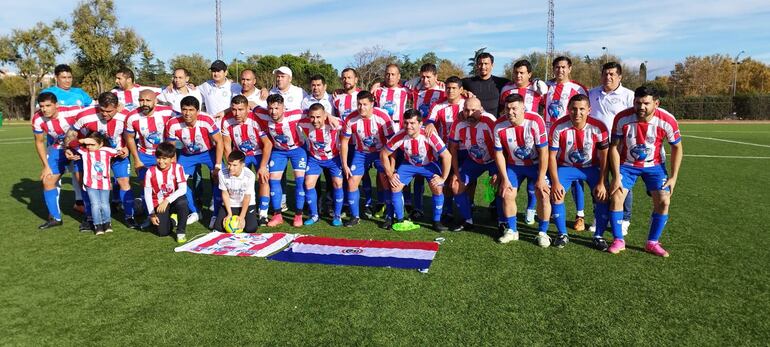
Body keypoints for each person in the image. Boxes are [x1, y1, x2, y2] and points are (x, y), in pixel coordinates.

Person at [606, 86, 683, 257]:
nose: (641, 107)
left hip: (654, 166)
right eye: (638, 102)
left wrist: (673, 177)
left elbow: (677, 147)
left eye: (646, 103)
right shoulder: (622, 118)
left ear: (656, 103)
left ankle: (652, 242)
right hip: (627, 164)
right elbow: (614, 147)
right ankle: (619, 240)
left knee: (664, 201)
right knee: (617, 195)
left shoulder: (667, 120)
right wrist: (617, 176)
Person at [64, 92, 136, 231]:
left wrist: (127, 148)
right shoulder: (85, 116)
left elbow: (133, 135)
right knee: (85, 184)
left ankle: (129, 216)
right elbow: (72, 133)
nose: (105, 114)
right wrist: (67, 148)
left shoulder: (126, 116)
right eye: (102, 110)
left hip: (117, 154)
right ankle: (89, 217)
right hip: (92, 156)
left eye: (109, 111)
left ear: (117, 106)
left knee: (124, 182)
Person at [547, 94, 610, 249]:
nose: (577, 113)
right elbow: (551, 156)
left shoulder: (599, 127)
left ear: (589, 110)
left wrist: (602, 182)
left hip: (591, 168)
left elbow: (604, 158)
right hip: (566, 167)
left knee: (603, 196)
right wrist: (555, 182)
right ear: (568, 109)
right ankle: (562, 233)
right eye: (574, 109)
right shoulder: (558, 126)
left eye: (582, 109)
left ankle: (599, 236)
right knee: (556, 194)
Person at [493, 94, 552, 245]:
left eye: (514, 108)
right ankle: (512, 230)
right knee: (506, 193)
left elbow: (544, 151)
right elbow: (499, 153)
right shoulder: (499, 125)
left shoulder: (535, 121)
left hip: (535, 165)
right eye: (507, 108)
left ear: (523, 108)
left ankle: (543, 233)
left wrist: (541, 177)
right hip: (514, 165)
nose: (510, 112)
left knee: (543, 194)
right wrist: (505, 179)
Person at [381, 109, 452, 231]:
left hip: (429, 165)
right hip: (408, 164)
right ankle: (400, 220)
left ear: (420, 124)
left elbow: (447, 155)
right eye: (406, 123)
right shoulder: (400, 135)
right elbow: (383, 153)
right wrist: (390, 174)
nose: (409, 126)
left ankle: (436, 221)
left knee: (438, 186)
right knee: (394, 185)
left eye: (412, 123)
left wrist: (443, 178)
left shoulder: (429, 135)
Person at [497, 59, 548, 225]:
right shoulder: (506, 89)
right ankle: (503, 219)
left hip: (532, 133)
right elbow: (501, 110)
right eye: (516, 72)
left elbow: (546, 105)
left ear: (529, 74)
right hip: (511, 135)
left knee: (535, 186)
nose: (518, 75)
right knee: (503, 186)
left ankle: (531, 210)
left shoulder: (536, 88)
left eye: (522, 72)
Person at [588, 61, 635, 235]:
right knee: (599, 182)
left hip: (620, 147)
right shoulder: (592, 93)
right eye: (605, 74)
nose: (608, 77)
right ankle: (599, 216)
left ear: (620, 76)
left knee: (620, 182)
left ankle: (624, 219)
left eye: (612, 74)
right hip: (596, 147)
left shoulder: (628, 95)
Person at [545, 56, 590, 231]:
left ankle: (580, 215)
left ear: (569, 68)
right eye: (557, 67)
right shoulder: (547, 87)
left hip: (571, 136)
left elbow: (585, 110)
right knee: (551, 176)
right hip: (550, 137)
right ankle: (549, 210)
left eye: (563, 67)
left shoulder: (577, 88)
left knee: (577, 177)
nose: (560, 70)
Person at [164, 96, 224, 227]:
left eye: (191, 110)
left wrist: (218, 165)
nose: (187, 113)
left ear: (197, 111)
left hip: (209, 153)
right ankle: (195, 212)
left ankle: (216, 213)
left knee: (220, 178)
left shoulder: (206, 119)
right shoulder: (173, 123)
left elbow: (219, 141)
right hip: (188, 155)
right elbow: (171, 148)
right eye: (184, 109)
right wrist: (173, 168)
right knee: (179, 181)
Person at [40, 64, 92, 212]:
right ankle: (54, 210)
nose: (67, 81)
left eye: (69, 77)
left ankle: (80, 202)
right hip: (56, 144)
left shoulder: (79, 93)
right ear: (56, 78)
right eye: (63, 77)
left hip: (77, 142)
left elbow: (91, 108)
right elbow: (43, 114)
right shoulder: (49, 92)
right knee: (55, 174)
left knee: (78, 173)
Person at [340, 91, 395, 227]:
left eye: (365, 104)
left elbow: (393, 143)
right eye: (359, 104)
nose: (361, 107)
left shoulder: (383, 117)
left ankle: (389, 216)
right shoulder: (350, 118)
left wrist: (391, 165)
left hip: (381, 152)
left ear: (372, 104)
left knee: (385, 180)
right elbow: (345, 142)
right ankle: (355, 216)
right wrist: (345, 164)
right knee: (352, 182)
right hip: (361, 153)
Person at [447, 97, 502, 231]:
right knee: (455, 184)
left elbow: (502, 148)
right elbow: (452, 149)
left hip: (493, 160)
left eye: (474, 110)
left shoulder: (489, 121)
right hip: (474, 161)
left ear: (481, 110)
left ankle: (503, 221)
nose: (470, 114)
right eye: (466, 110)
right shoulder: (458, 123)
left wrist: (499, 172)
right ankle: (467, 220)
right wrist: (456, 172)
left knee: (501, 187)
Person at [253, 94, 307, 227]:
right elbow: (250, 103)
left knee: (300, 181)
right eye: (271, 108)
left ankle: (298, 215)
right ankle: (277, 215)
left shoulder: (295, 115)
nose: (273, 112)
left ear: (283, 107)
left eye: (277, 108)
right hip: (278, 151)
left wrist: (329, 116)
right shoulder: (264, 114)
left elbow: (315, 111)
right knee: (273, 180)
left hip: (297, 150)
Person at [32, 92, 83, 229]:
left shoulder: (73, 111)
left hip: (80, 147)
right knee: (47, 180)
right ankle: (55, 217)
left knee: (82, 180)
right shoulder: (37, 119)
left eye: (48, 105)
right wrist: (46, 166)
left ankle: (90, 216)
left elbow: (93, 111)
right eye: (42, 106)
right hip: (58, 148)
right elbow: (39, 142)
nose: (44, 109)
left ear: (57, 105)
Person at [221, 95, 272, 225]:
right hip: (241, 155)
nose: (236, 113)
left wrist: (263, 166)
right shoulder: (226, 121)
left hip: (259, 153)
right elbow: (227, 146)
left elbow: (268, 144)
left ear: (247, 109)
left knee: (263, 178)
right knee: (236, 180)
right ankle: (237, 208)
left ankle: (263, 214)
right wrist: (232, 165)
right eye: (233, 109)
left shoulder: (257, 119)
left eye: (240, 109)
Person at [406, 63, 446, 218]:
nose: (425, 80)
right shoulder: (415, 89)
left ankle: (444, 209)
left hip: (437, 137)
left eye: (429, 77)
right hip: (417, 136)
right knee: (417, 173)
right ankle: (417, 207)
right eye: (422, 77)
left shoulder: (443, 90)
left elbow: (458, 92)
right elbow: (396, 82)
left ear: (436, 77)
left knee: (437, 173)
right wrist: (378, 84)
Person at [425, 76, 466, 221]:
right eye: (448, 88)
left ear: (461, 90)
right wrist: (429, 123)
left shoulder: (467, 104)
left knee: (466, 180)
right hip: (444, 150)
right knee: (447, 179)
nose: (450, 91)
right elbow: (430, 120)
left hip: (464, 149)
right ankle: (447, 209)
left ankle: (468, 206)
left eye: (454, 88)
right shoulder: (438, 105)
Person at [297, 103, 344, 226]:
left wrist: (330, 116)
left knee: (337, 183)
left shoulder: (334, 123)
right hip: (315, 159)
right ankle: (314, 215)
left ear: (324, 116)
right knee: (308, 184)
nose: (315, 120)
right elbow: (292, 117)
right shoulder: (304, 123)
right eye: (312, 117)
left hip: (333, 159)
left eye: (318, 117)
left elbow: (347, 125)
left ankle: (337, 215)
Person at [124, 90, 176, 182]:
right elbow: (130, 138)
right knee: (145, 183)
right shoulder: (132, 116)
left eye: (148, 100)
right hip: (144, 154)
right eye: (141, 100)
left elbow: (183, 120)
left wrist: (173, 155)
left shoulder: (168, 112)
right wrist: (136, 159)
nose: (144, 103)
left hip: (164, 153)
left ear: (155, 101)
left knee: (168, 182)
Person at [143, 142, 189, 242]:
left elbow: (183, 189)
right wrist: (152, 214)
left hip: (173, 200)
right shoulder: (150, 172)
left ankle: (181, 232)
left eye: (164, 158)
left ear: (172, 159)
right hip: (159, 203)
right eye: (159, 158)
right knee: (162, 232)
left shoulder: (178, 168)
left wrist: (167, 200)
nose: (161, 161)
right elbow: (147, 194)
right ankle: (173, 220)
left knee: (183, 202)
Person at [76, 132, 119, 236]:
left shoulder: (107, 151)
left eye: (93, 144)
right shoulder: (84, 152)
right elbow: (72, 144)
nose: (89, 147)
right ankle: (97, 225)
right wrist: (82, 141)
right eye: (88, 144)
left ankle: (107, 223)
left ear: (101, 144)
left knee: (105, 204)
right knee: (95, 205)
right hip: (90, 184)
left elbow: (119, 151)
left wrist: (123, 151)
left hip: (104, 183)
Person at [214, 150, 258, 233]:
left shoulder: (250, 175)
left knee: (251, 229)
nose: (230, 168)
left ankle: (250, 218)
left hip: (247, 204)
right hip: (230, 204)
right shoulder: (222, 173)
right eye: (229, 164)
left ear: (242, 165)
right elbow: (225, 194)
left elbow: (247, 197)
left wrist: (242, 216)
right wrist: (229, 214)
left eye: (234, 165)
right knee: (218, 228)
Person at [462, 52, 509, 117]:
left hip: (494, 124)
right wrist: (463, 91)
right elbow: (452, 85)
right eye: (480, 64)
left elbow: (517, 86)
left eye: (486, 64)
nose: (483, 67)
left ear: (492, 65)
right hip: (475, 123)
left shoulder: (502, 82)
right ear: (476, 65)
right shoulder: (468, 82)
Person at [373, 64, 410, 130]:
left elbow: (419, 83)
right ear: (384, 76)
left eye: (393, 74)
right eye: (388, 74)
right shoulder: (377, 90)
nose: (390, 77)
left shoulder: (405, 90)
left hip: (400, 129)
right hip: (381, 128)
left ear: (398, 76)